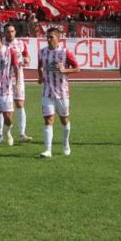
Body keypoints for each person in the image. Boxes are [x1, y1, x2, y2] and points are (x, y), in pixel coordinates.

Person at [37, 28, 80, 158]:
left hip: (62, 92)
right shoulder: (42, 52)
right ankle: (48, 150)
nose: (49, 39)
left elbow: (77, 68)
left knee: (64, 119)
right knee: (48, 119)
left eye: (51, 37)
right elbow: (39, 66)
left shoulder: (65, 52)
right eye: (47, 37)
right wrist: (40, 77)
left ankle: (66, 143)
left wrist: (64, 70)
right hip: (47, 91)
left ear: (58, 39)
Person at [0, 24, 32, 142]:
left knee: (19, 104)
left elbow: (26, 55)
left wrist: (27, 59)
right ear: (4, 33)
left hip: (18, 77)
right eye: (8, 32)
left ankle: (22, 134)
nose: (11, 34)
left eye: (12, 31)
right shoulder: (0, 43)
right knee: (2, 107)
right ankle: (0, 135)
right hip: (3, 79)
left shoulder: (21, 43)